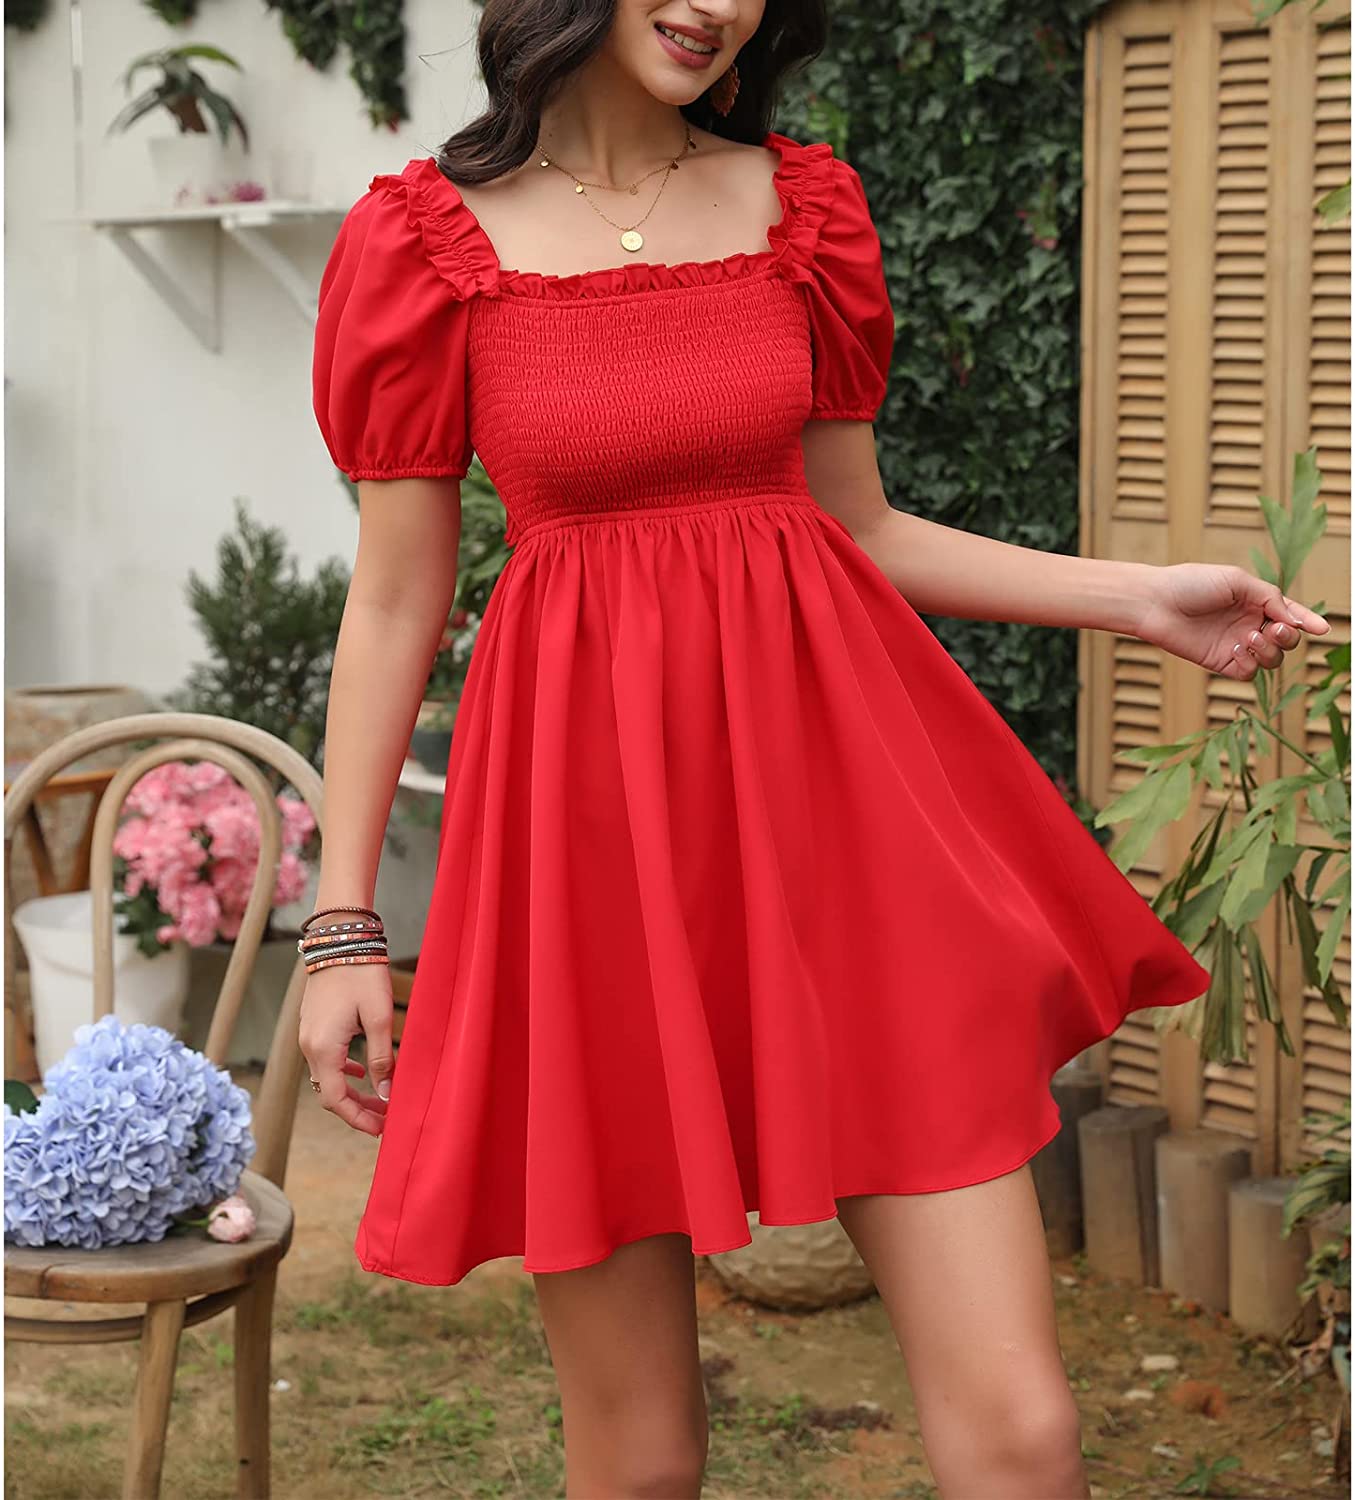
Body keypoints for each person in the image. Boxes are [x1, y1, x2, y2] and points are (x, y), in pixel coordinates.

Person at [298, 0, 1331, 1494]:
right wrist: (343, 925)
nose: (717, 5)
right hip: (590, 856)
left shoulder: (806, 209)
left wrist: (1138, 599)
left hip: (844, 834)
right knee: (641, 1461)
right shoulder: (422, 243)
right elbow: (395, 601)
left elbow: (860, 526)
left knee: (1024, 1435)